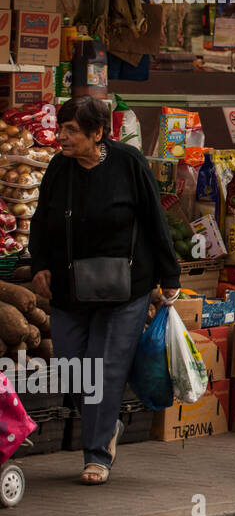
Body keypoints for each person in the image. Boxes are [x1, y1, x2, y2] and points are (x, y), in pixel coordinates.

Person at [29, 97, 180, 485]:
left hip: (126, 288)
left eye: (71, 131)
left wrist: (170, 277)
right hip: (69, 288)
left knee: (105, 368)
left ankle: (96, 454)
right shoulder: (59, 169)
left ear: (97, 134)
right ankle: (106, 423)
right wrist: (41, 264)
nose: (62, 137)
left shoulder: (129, 164)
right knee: (71, 368)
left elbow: (154, 220)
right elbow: (42, 217)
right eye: (61, 128)